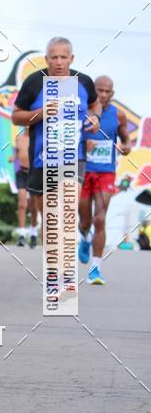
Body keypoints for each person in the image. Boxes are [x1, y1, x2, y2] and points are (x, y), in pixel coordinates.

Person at [11, 38, 101, 226]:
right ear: (46, 59)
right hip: (42, 158)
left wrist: (96, 117)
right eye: (54, 57)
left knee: (68, 209)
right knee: (51, 221)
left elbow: (95, 104)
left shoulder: (83, 82)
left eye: (63, 57)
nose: (59, 62)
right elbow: (16, 116)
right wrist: (40, 113)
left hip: (73, 156)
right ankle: (55, 254)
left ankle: (67, 252)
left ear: (71, 58)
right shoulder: (34, 82)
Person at [78, 75, 130, 284]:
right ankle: (85, 236)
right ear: (93, 91)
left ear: (112, 93)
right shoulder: (82, 112)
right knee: (85, 220)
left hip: (106, 172)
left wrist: (125, 147)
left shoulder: (119, 115)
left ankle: (95, 269)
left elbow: (126, 140)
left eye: (107, 91)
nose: (103, 95)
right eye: (99, 90)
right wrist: (83, 145)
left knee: (100, 218)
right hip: (82, 171)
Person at [9, 128, 38, 247]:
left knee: (33, 205)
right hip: (22, 173)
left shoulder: (37, 137)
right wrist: (13, 158)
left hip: (34, 172)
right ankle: (21, 235)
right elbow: (17, 153)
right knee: (21, 203)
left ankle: (33, 233)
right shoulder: (19, 138)